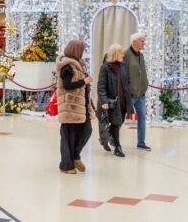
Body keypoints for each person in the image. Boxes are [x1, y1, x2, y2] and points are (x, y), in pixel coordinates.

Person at [56, 39, 93, 174]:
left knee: (86, 130)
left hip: (81, 105)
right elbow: (67, 86)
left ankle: (75, 156)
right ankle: (66, 165)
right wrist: (84, 81)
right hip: (70, 106)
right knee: (69, 136)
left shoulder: (80, 64)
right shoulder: (67, 66)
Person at [97, 43, 133, 158]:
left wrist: (129, 93)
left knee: (119, 121)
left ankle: (105, 137)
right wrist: (104, 101)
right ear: (115, 54)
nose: (123, 55)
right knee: (116, 124)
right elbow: (101, 86)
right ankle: (117, 147)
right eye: (121, 53)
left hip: (123, 100)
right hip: (112, 101)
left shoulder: (123, 66)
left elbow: (127, 82)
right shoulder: (105, 67)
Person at [125, 32, 150, 151]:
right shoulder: (126, 54)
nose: (144, 43)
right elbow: (123, 74)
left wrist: (145, 85)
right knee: (120, 118)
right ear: (134, 41)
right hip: (130, 94)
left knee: (142, 118)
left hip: (141, 94)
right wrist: (128, 89)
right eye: (142, 41)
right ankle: (112, 138)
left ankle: (141, 142)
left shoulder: (141, 55)